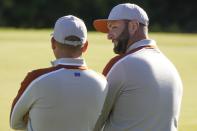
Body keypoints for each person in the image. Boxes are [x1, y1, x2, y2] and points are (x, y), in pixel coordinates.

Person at [93, 3, 183, 131]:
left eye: (114, 27)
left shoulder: (122, 64)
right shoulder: (171, 67)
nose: (109, 35)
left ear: (133, 26)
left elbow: (95, 119)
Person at [10, 15, 108, 131]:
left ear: (53, 43)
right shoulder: (103, 82)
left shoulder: (36, 78)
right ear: (85, 46)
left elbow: (14, 122)